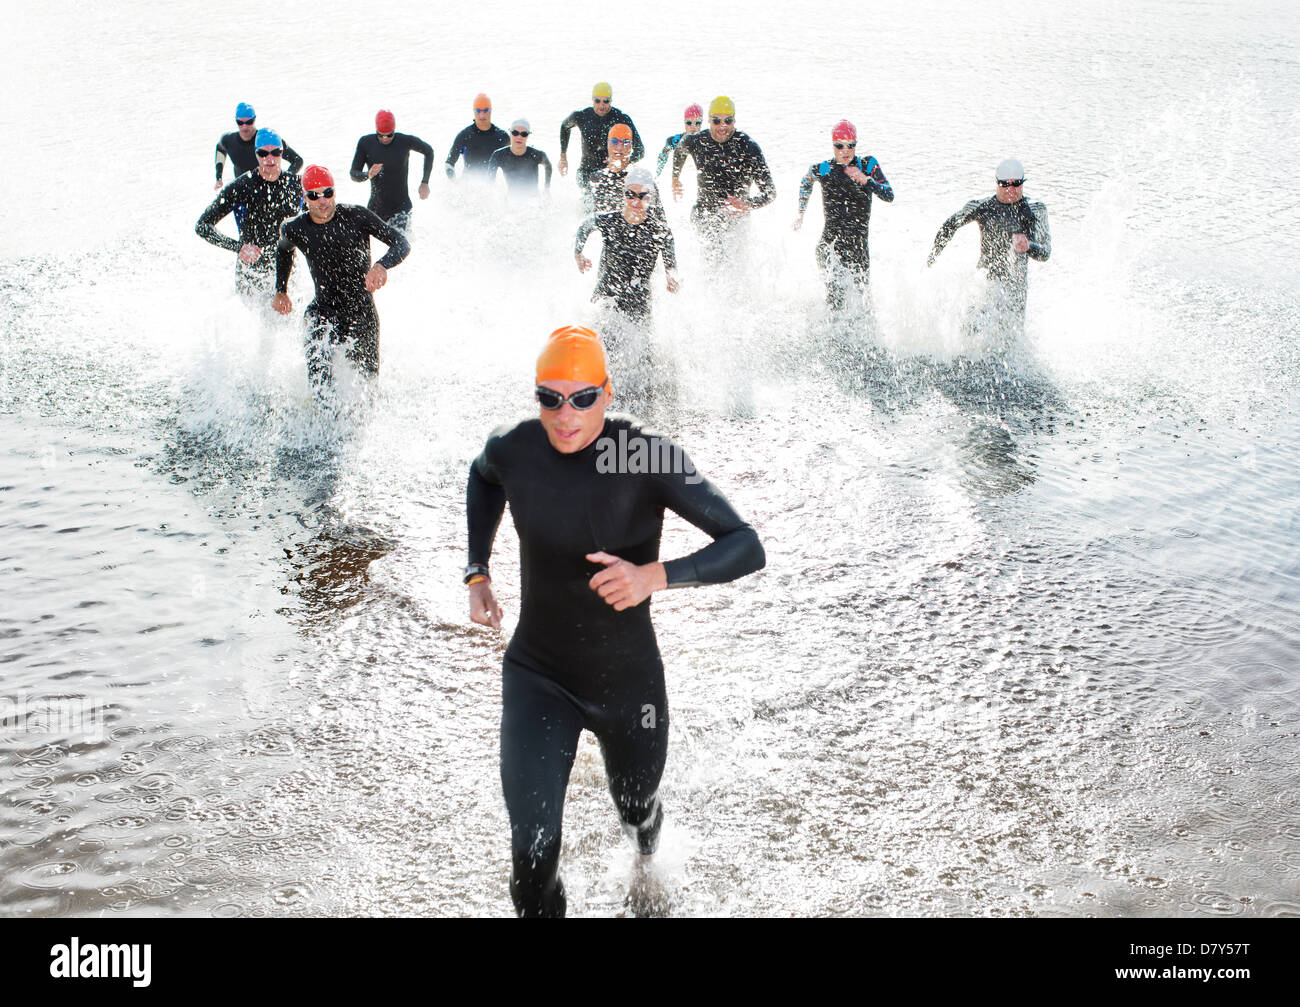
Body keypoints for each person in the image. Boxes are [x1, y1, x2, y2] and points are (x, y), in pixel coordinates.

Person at [465, 325, 765, 918]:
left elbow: (745, 545)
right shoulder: (514, 447)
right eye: (549, 398)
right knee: (532, 851)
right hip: (538, 676)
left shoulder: (642, 453)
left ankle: (646, 865)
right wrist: (478, 571)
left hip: (628, 683)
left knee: (636, 810)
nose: (564, 414)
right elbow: (482, 477)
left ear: (607, 392)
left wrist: (652, 576)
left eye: (582, 398)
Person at [272, 166, 411, 388]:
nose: (322, 200)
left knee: (366, 387)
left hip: (361, 312)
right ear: (304, 197)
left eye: (327, 192)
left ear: (334, 192)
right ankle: (320, 419)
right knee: (320, 384)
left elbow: (401, 242)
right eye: (313, 195)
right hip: (323, 310)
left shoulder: (356, 216)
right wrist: (281, 290)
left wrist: (381, 266)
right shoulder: (294, 228)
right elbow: (284, 250)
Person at [927, 158, 1051, 343]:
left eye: (1016, 184)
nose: (1011, 189)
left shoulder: (1035, 209)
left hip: (1015, 287)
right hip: (985, 282)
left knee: (1009, 340)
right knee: (969, 332)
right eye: (1005, 184)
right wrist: (931, 258)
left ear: (1023, 182)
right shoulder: (981, 206)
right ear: (997, 183)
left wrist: (1029, 246)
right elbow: (949, 226)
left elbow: (1046, 251)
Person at [794, 119, 894, 309]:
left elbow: (889, 194)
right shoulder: (824, 168)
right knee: (835, 302)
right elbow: (805, 182)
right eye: (840, 146)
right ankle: (826, 335)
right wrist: (801, 213)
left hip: (858, 247)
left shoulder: (867, 165)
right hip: (829, 246)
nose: (845, 151)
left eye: (851, 146)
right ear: (833, 145)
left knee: (863, 303)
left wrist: (867, 181)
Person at [196, 128, 303, 297]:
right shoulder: (241, 187)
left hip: (287, 270)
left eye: (275, 153)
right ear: (256, 154)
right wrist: (238, 248)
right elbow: (202, 226)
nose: (269, 158)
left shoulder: (296, 185)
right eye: (263, 153)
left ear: (282, 153)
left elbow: (317, 223)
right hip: (251, 272)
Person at [671, 96, 776, 262]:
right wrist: (675, 177)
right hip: (704, 214)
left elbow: (770, 193)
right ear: (709, 121)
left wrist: (747, 204)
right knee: (710, 262)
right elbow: (680, 150)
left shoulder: (748, 147)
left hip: (735, 219)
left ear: (734, 121)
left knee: (731, 266)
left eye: (728, 121)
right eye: (716, 121)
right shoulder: (697, 140)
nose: (722, 126)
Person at [575, 167, 677, 320]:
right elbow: (585, 226)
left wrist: (672, 276)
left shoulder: (659, 230)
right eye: (630, 195)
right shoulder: (610, 220)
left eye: (642, 196)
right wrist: (578, 253)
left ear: (650, 198)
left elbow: (671, 263)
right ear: (624, 195)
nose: (636, 201)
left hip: (638, 299)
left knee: (642, 342)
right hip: (607, 294)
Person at [212, 103, 303, 235]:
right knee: (247, 236)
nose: (245, 126)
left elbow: (297, 160)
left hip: (271, 191)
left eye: (249, 122)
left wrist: (285, 181)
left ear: (255, 119)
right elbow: (220, 149)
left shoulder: (266, 142)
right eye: (240, 122)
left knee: (278, 233)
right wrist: (218, 176)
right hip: (243, 195)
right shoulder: (229, 140)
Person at [348, 109, 434, 233]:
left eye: (389, 135)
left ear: (394, 130)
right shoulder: (365, 143)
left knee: (402, 247)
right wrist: (368, 174)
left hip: (401, 208)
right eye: (381, 135)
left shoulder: (404, 141)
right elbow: (353, 173)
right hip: (375, 210)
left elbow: (429, 151)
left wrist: (425, 182)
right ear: (376, 131)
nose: (385, 139)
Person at [558, 83, 645, 195]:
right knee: (590, 200)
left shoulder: (621, 118)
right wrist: (563, 156)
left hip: (612, 173)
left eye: (606, 101)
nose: (601, 105)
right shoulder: (582, 116)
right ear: (592, 100)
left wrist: (624, 162)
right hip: (586, 172)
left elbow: (640, 150)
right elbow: (565, 127)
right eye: (597, 101)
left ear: (611, 100)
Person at [445, 94, 510, 180]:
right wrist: (454, 182)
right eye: (478, 110)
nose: (482, 115)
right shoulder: (464, 136)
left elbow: (512, 165)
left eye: (485, 110)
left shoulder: (502, 137)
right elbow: (449, 163)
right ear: (474, 111)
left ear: (490, 111)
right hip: (467, 186)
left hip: (491, 187)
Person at [486, 119, 553, 199]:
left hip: (533, 198)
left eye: (524, 134)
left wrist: (547, 188)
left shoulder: (536, 154)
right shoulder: (498, 155)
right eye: (515, 133)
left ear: (528, 135)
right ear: (510, 133)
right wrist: (493, 193)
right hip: (511, 198)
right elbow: (490, 179)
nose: (519, 137)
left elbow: (548, 166)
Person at [587, 124, 639, 213]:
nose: (619, 147)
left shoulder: (640, 180)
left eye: (625, 142)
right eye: (614, 141)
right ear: (608, 143)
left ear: (631, 146)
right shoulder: (596, 178)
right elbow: (587, 217)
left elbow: (659, 222)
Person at [655, 103, 703, 176]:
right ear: (684, 123)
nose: (693, 127)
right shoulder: (675, 141)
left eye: (697, 123)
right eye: (689, 123)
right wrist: (657, 174)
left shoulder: (705, 141)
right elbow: (662, 159)